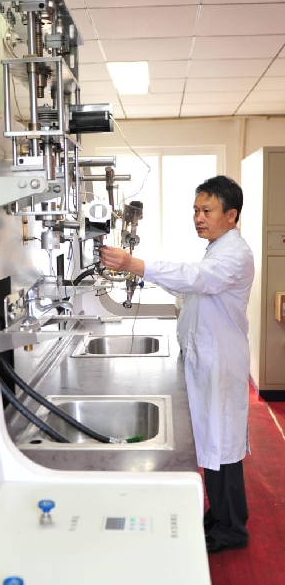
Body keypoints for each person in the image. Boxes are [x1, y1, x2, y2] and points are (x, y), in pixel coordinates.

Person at [100, 175, 254, 554]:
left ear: (231, 215)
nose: (198, 218)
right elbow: (191, 284)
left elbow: (196, 279)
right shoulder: (217, 250)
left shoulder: (235, 255)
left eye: (207, 211)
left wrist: (136, 263)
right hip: (208, 359)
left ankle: (233, 528)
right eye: (195, 210)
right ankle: (219, 514)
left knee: (222, 445)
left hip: (220, 362)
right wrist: (140, 271)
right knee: (211, 443)